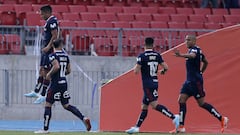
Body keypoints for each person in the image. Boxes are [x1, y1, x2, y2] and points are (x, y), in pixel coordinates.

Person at [170, 35, 228, 133]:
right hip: (189, 81)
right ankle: (181, 126)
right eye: (185, 40)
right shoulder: (194, 50)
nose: (186, 42)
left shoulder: (195, 50)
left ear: (194, 41)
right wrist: (200, 72)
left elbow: (193, 56)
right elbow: (206, 62)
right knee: (181, 100)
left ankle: (221, 118)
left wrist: (181, 55)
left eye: (188, 40)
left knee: (201, 103)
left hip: (195, 82)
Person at [34, 39, 91, 134]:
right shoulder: (65, 56)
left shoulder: (52, 55)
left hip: (55, 84)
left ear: (53, 46)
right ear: (61, 45)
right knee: (66, 105)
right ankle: (83, 118)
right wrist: (61, 74)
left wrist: (49, 75)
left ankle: (45, 129)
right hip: (64, 83)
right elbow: (68, 70)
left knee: (48, 105)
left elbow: (56, 66)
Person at [125, 37, 179, 134]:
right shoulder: (157, 55)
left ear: (144, 45)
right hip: (154, 82)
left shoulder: (142, 56)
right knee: (144, 106)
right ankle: (137, 127)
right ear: (153, 45)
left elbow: (136, 71)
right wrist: (162, 71)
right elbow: (166, 67)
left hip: (147, 84)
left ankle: (174, 117)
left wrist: (138, 64)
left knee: (154, 105)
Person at [24, 5, 60, 104]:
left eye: (42, 13)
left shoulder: (52, 21)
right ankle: (36, 91)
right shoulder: (48, 21)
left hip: (50, 51)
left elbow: (55, 35)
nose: (41, 15)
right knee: (41, 70)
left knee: (46, 72)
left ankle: (43, 94)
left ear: (47, 13)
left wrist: (49, 46)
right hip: (45, 51)